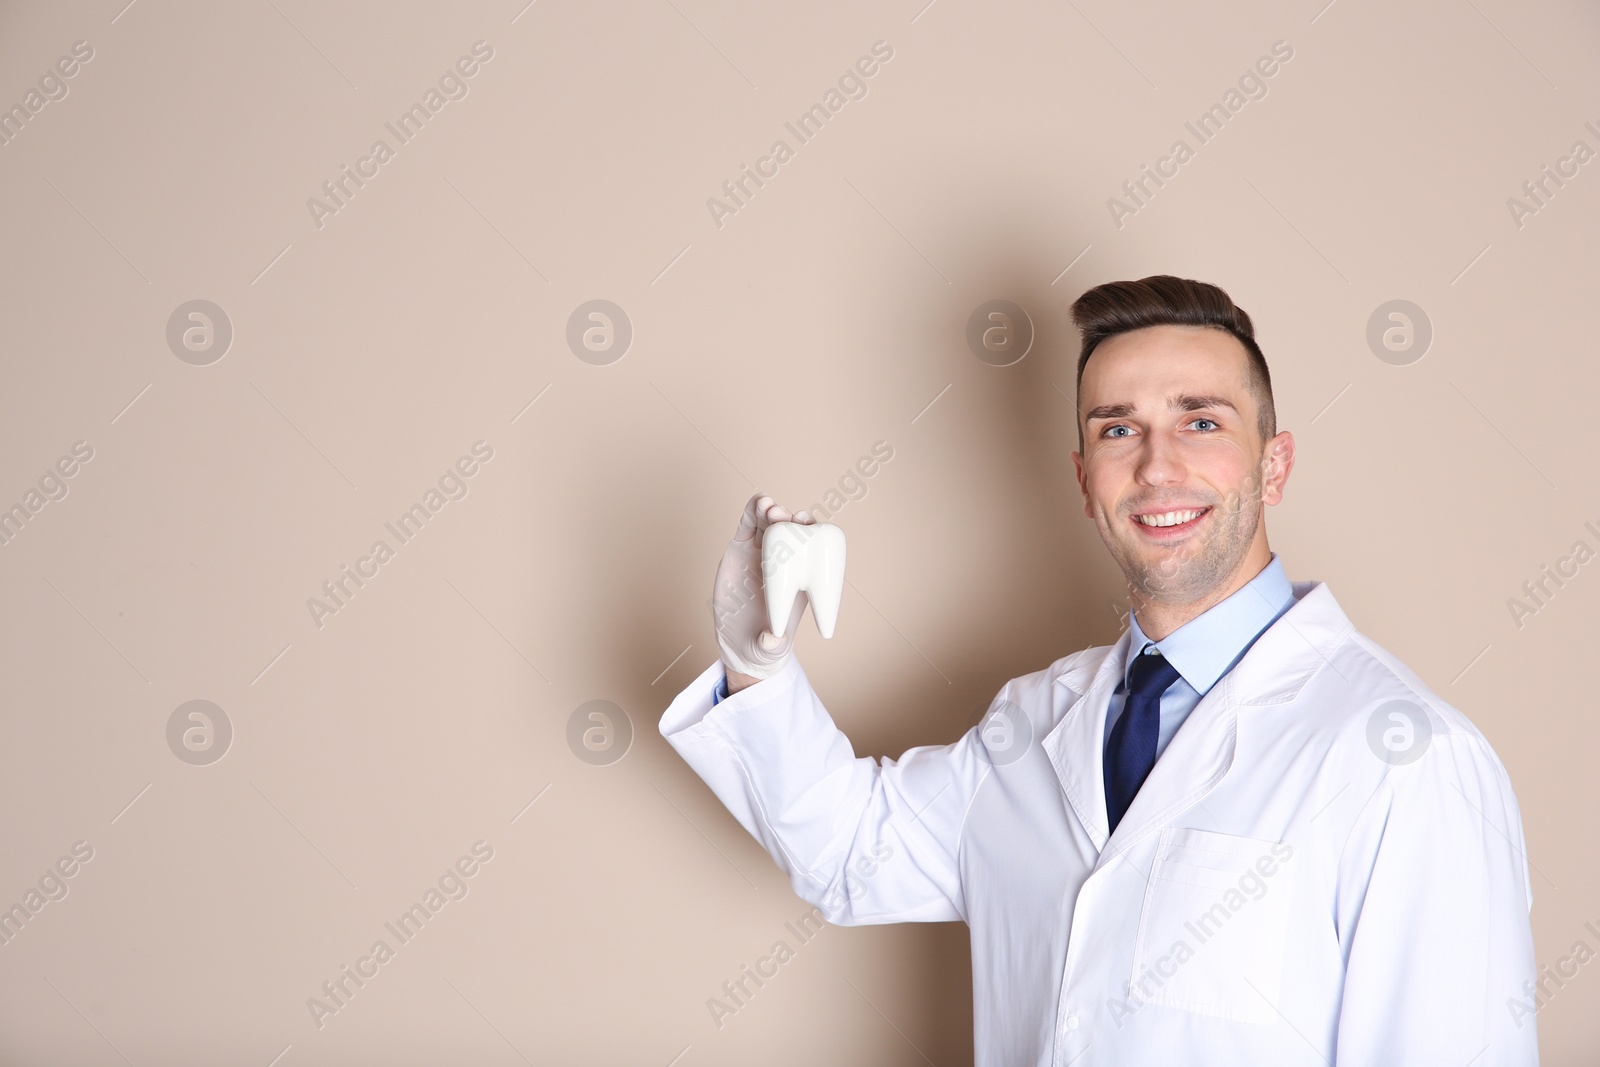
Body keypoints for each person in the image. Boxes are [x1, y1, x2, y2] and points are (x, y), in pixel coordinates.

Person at [659, 275, 1538, 1066]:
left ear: (1274, 464)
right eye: (1119, 429)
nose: (1157, 467)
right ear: (1085, 480)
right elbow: (850, 855)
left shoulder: (1408, 759)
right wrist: (755, 665)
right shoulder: (1034, 718)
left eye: (1202, 421)